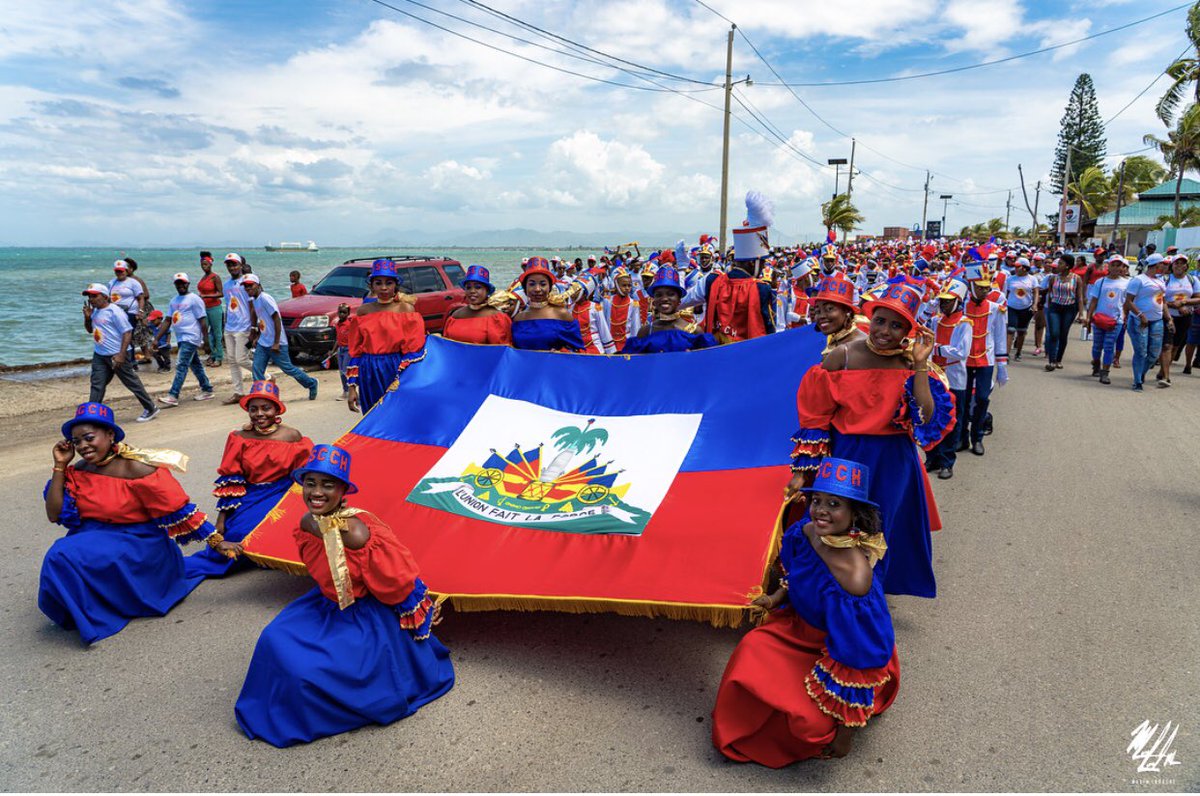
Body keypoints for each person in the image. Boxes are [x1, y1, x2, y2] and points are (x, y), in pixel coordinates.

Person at [233, 444, 454, 747]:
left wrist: (419, 611)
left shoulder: (357, 533)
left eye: (328, 484)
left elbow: (397, 580)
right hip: (325, 604)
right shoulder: (308, 521)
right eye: (310, 483)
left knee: (308, 669)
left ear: (343, 490)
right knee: (273, 638)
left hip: (364, 615)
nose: (317, 492)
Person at [712, 457, 899, 766]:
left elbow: (858, 656)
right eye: (817, 500)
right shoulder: (807, 531)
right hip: (795, 630)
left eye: (834, 503)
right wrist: (773, 599)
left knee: (809, 725)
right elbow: (796, 574)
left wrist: (845, 734)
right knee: (750, 649)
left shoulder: (854, 578)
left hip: (835, 653)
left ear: (855, 514)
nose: (821, 509)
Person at [785, 282, 954, 599]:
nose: (885, 331)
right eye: (880, 320)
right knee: (841, 526)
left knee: (883, 528)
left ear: (907, 330)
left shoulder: (909, 362)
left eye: (896, 325)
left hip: (894, 460)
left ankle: (870, 599)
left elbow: (925, 417)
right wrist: (802, 472)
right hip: (847, 456)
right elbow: (815, 419)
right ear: (869, 319)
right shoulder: (842, 357)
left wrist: (919, 365)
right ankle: (839, 595)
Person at [40, 403, 230, 644]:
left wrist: (217, 542)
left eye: (89, 438)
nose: (83, 446)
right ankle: (88, 607)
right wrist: (60, 466)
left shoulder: (138, 468)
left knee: (61, 554)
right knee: (62, 554)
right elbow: (54, 514)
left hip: (139, 544)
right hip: (94, 537)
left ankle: (101, 609)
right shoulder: (80, 469)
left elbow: (182, 511)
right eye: (76, 442)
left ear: (110, 435)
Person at [188, 380, 313, 579]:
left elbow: (306, 475)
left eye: (266, 408)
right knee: (237, 535)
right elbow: (231, 480)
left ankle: (270, 555)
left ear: (277, 410)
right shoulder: (239, 437)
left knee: (278, 528)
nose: (260, 414)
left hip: (283, 493)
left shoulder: (292, 436)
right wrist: (222, 518)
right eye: (253, 409)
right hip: (250, 493)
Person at [345, 259, 426, 413]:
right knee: (372, 415)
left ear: (395, 285)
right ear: (371, 285)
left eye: (388, 283)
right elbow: (356, 352)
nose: (383, 287)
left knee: (398, 415)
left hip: (395, 367)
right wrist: (352, 387)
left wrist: (406, 377)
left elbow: (414, 349)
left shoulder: (406, 310)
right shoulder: (363, 311)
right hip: (368, 370)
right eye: (378, 283)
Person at [82, 280, 161, 422]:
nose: (91, 299)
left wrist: (121, 355)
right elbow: (90, 330)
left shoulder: (115, 311)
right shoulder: (95, 312)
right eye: (89, 297)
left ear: (105, 296)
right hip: (100, 354)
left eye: (94, 296)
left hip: (116, 354)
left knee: (131, 382)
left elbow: (127, 333)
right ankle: (92, 415)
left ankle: (150, 408)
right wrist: (87, 318)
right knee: (97, 384)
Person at [245, 274, 320, 401]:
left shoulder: (265, 298)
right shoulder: (255, 300)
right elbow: (263, 321)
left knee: (288, 369)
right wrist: (257, 336)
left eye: (250, 285)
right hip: (264, 342)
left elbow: (276, 319)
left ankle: (311, 383)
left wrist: (276, 342)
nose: (248, 289)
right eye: (245, 287)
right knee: (257, 369)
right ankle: (261, 395)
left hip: (276, 342)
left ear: (258, 285)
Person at [925, 281, 971, 480]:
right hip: (935, 374)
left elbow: (961, 352)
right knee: (932, 417)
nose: (943, 305)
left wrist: (936, 348)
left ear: (957, 301)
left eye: (947, 301)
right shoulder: (935, 321)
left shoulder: (965, 323)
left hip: (954, 377)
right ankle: (932, 456)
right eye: (941, 301)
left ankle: (947, 461)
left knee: (951, 420)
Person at [962, 268, 1009, 454]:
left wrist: (1002, 365)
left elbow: (1000, 337)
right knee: (963, 400)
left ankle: (978, 437)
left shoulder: (996, 309)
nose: (984, 291)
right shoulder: (961, 307)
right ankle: (962, 437)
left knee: (981, 398)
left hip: (985, 360)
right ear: (971, 286)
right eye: (980, 288)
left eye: (986, 288)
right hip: (963, 361)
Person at [623, 267, 716, 353]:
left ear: (679, 300)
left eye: (670, 294)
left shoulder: (695, 331)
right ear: (653, 301)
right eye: (659, 295)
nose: (664, 299)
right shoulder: (645, 332)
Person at [155, 273, 215, 407]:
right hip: (181, 337)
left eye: (183, 283)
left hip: (191, 336)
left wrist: (206, 341)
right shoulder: (174, 301)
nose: (180, 285)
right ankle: (207, 389)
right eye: (178, 283)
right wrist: (156, 338)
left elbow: (202, 321)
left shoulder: (194, 299)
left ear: (188, 284)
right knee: (195, 365)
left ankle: (173, 395)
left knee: (181, 364)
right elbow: (167, 320)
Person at [511, 262, 585, 352]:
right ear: (525, 288)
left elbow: (578, 350)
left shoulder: (561, 314)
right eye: (531, 284)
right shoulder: (518, 318)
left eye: (543, 284)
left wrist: (561, 353)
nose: (537, 289)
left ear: (550, 287)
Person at [1123, 254, 1170, 391]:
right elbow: (1128, 301)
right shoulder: (1138, 280)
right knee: (1141, 351)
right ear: (1156, 265)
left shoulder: (1161, 280)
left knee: (1154, 354)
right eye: (1163, 264)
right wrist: (1140, 315)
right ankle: (1137, 381)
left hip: (1157, 320)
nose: (1165, 266)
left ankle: (1141, 372)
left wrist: (1169, 319)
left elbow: (1163, 301)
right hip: (1139, 321)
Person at [1084, 255, 1130, 385]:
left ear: (1123, 267)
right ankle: (1096, 365)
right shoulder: (1101, 282)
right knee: (1097, 346)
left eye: (1118, 265)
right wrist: (1088, 317)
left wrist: (1126, 315)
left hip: (1116, 321)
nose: (1116, 268)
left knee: (1109, 346)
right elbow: (1094, 300)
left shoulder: (1127, 283)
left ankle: (1105, 373)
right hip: (1099, 319)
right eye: (1113, 265)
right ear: (1108, 266)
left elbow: (1128, 302)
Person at [442, 265, 513, 345]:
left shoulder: (497, 318)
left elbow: (502, 350)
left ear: (487, 291)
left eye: (478, 287)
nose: (472, 291)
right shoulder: (454, 316)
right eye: (468, 287)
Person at [221, 253, 256, 405]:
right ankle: (238, 392)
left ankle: (266, 376)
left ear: (241, 265)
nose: (232, 267)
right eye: (229, 265)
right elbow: (229, 306)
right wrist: (225, 325)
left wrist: (254, 327)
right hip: (230, 326)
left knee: (241, 358)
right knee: (232, 360)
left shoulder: (247, 282)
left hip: (244, 326)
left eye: (234, 264)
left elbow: (253, 305)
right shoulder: (226, 285)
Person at [1041, 254, 1086, 371]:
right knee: (1054, 333)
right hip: (1055, 308)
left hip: (1069, 309)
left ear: (1067, 266)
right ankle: (1051, 361)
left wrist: (1081, 313)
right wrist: (1048, 307)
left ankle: (1058, 360)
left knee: (1063, 334)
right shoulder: (1053, 278)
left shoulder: (1076, 279)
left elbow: (1079, 297)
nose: (1058, 265)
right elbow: (1050, 295)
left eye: (1061, 263)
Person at [1160, 254, 1199, 385]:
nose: (1179, 266)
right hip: (1167, 316)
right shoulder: (1165, 279)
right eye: (1177, 263)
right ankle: (1166, 376)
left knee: (1176, 346)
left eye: (1182, 263)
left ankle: (1163, 369)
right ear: (1172, 265)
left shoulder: (1192, 280)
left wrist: (1184, 303)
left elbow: (1198, 298)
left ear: (1186, 266)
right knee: (1167, 345)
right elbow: (1158, 298)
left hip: (1185, 317)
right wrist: (1172, 305)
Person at [809, 273, 865, 354]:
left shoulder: (856, 348)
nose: (821, 316)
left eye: (829, 309)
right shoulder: (838, 338)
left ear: (847, 311)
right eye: (817, 311)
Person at [108, 260, 145, 364]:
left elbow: (141, 298)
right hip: (115, 314)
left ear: (126, 271)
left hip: (130, 313)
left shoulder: (133, 282)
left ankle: (131, 362)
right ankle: (117, 358)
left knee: (128, 336)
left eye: (122, 271)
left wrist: (140, 311)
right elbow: (107, 299)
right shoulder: (111, 282)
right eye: (117, 271)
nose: (120, 273)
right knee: (116, 336)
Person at [1004, 257, 1038, 361]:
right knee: (1010, 330)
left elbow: (1036, 292)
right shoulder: (1010, 279)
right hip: (1012, 307)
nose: (1016, 268)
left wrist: (1035, 304)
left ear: (1024, 268)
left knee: (1021, 332)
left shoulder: (1032, 279)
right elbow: (1006, 293)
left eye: (1018, 266)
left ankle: (1018, 352)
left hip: (1026, 308)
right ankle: (1007, 354)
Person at [603, 265, 641, 352]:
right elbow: (604, 323)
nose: (627, 288)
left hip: (626, 343)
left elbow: (635, 327)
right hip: (610, 344)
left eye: (629, 285)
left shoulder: (634, 304)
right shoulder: (607, 301)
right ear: (616, 285)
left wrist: (634, 346)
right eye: (624, 285)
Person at [197, 251, 224, 367]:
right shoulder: (204, 278)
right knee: (207, 333)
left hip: (215, 308)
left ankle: (219, 357)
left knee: (217, 333)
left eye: (206, 264)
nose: (204, 267)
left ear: (211, 264)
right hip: (204, 308)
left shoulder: (215, 277)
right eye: (202, 265)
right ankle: (212, 354)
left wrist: (206, 296)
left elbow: (221, 293)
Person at [333, 303, 354, 400]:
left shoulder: (350, 325)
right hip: (340, 350)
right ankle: (345, 391)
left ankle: (351, 391)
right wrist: (333, 350)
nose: (342, 314)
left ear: (348, 313)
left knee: (346, 371)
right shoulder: (337, 324)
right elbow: (338, 338)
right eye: (340, 312)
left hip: (348, 349)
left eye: (344, 312)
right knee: (341, 372)